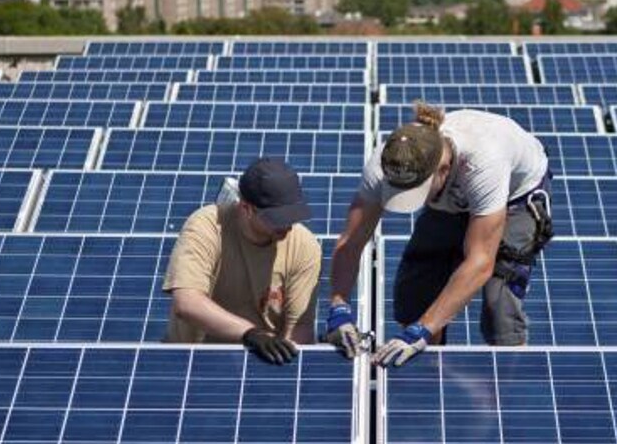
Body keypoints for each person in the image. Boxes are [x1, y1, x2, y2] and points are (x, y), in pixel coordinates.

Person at [324, 102, 552, 367]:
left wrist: (423, 330)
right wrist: (338, 308)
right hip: (452, 196)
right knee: (415, 295)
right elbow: (351, 241)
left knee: (498, 304)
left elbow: (480, 262)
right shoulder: (386, 163)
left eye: (417, 191)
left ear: (443, 171)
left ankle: (508, 382)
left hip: (515, 195)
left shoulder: (484, 165)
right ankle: (429, 381)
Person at [164, 157, 321, 364]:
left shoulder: (305, 246)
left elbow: (299, 327)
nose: (287, 225)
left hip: (261, 362)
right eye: (277, 218)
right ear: (246, 208)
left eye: (292, 216)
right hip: (194, 360)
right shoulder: (207, 226)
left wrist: (286, 369)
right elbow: (187, 302)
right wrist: (250, 334)